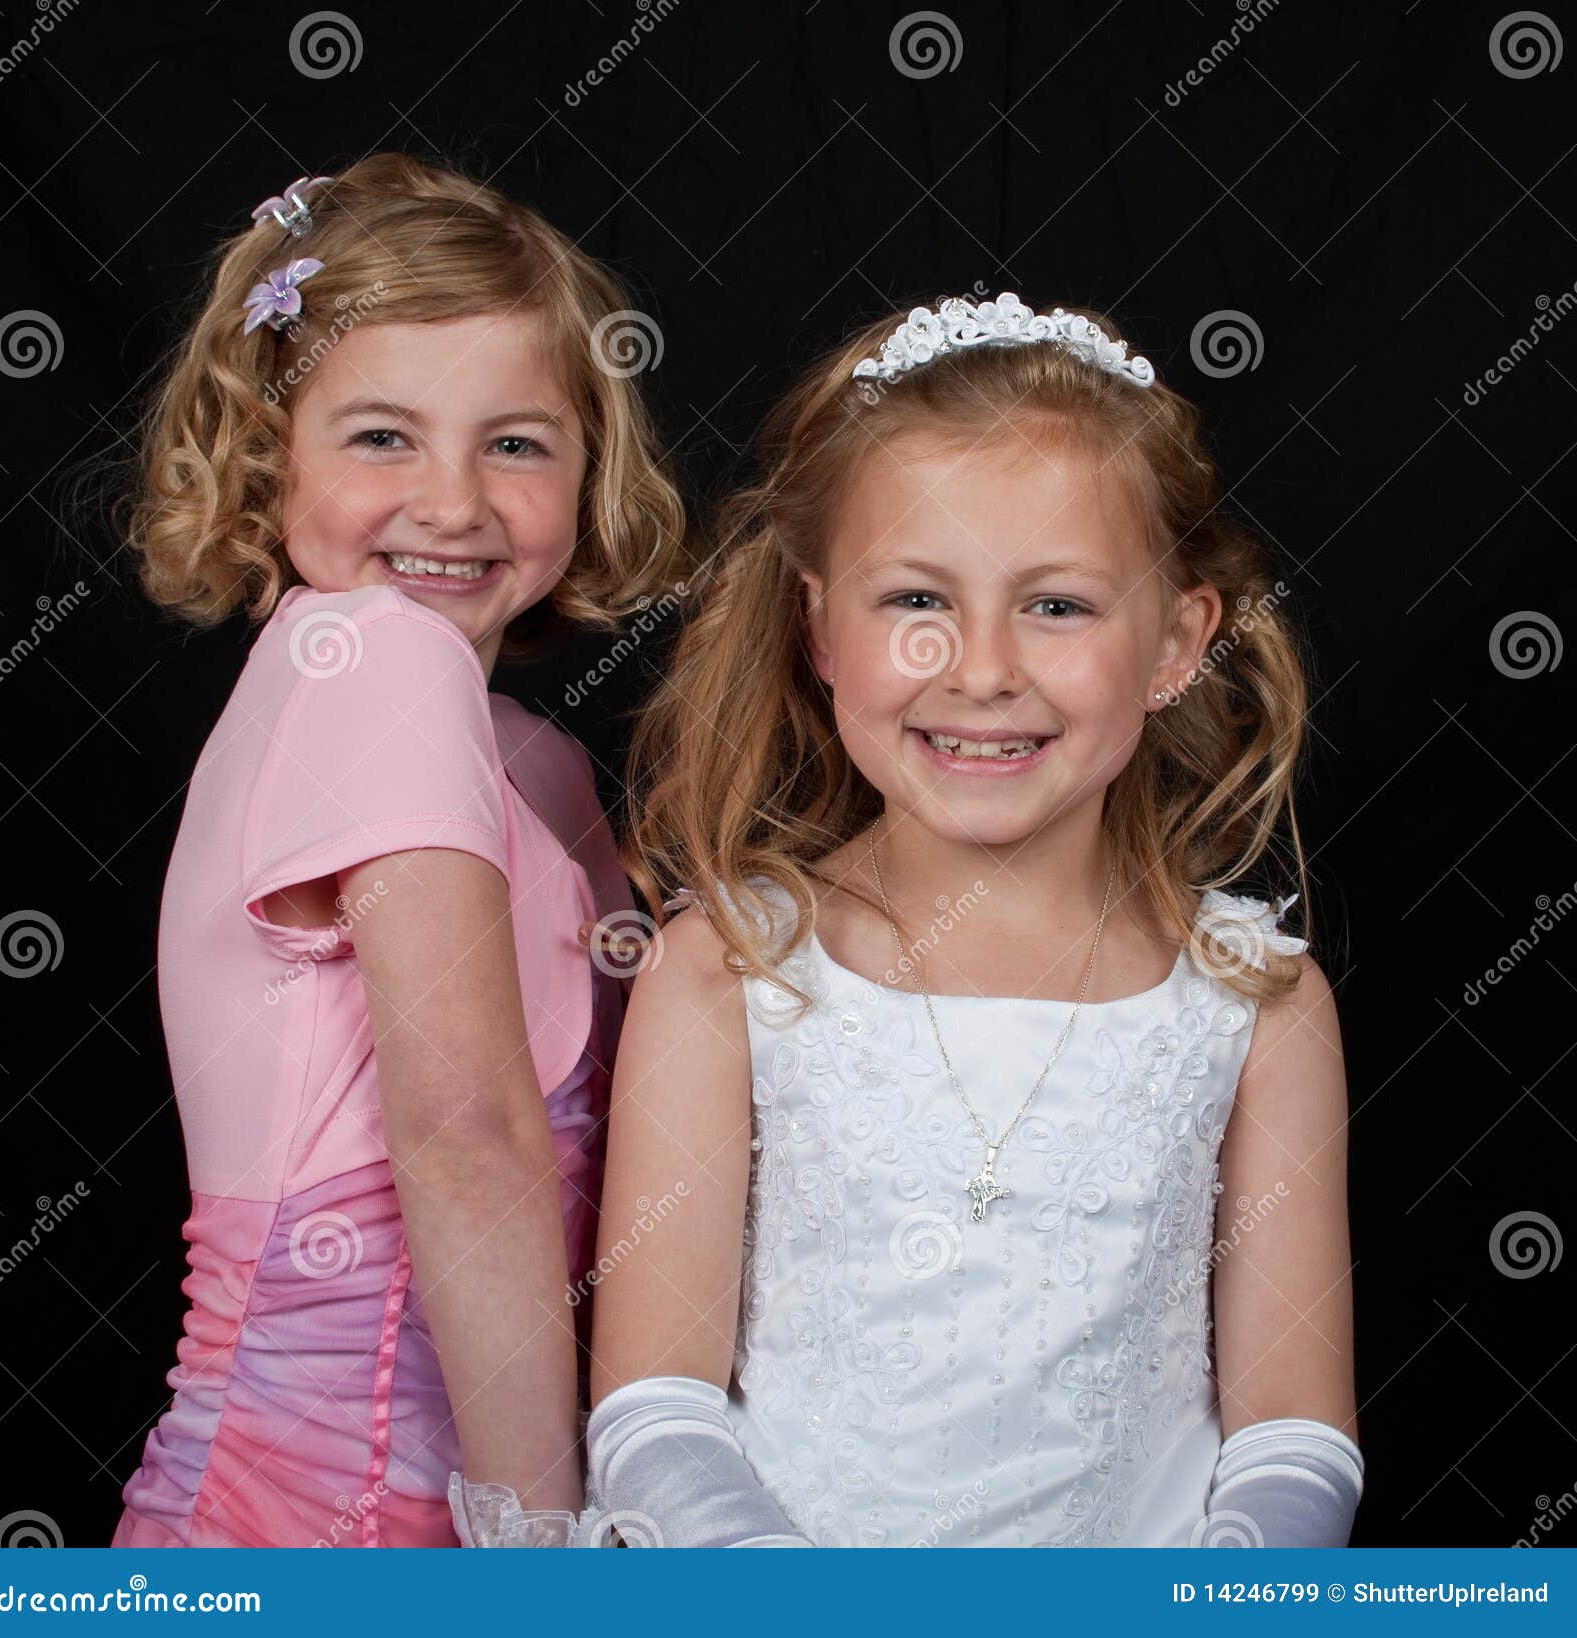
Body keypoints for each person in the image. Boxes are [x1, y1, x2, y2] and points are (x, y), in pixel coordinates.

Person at [584, 292, 1363, 1547]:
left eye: (1056, 606)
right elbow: (653, 1405)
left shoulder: (1253, 1003)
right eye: (914, 603)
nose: (982, 667)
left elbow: (1292, 1428)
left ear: (1175, 643)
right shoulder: (727, 969)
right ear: (820, 628)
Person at [110, 155, 685, 1547]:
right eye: (381, 437)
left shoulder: (529, 758)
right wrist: (542, 1535)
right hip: (321, 1520)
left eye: (516, 441)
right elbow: (465, 1128)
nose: (453, 499)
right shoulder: (372, 663)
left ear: (588, 464)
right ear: (268, 452)